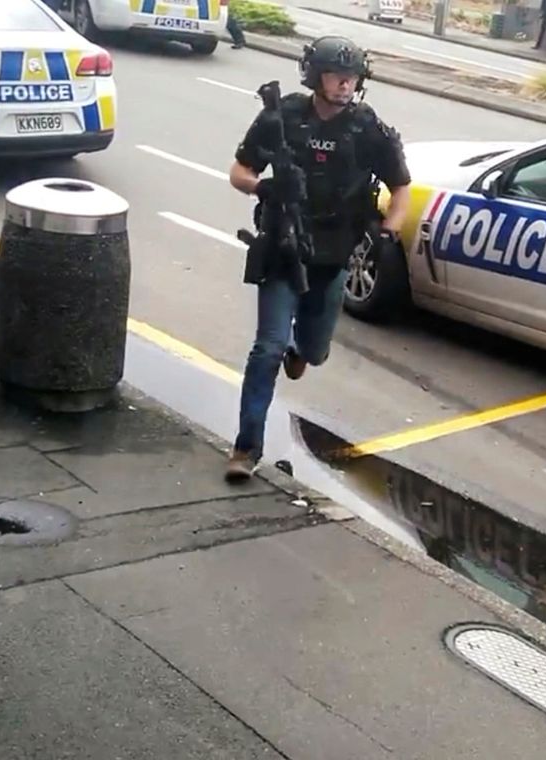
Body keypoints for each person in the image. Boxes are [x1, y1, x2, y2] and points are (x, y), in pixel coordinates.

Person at [224, 35, 411, 482]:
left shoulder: (369, 129)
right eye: (335, 75)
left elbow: (400, 186)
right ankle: (246, 446)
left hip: (335, 253)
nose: (345, 85)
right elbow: (239, 170)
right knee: (265, 349)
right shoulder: (282, 116)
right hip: (282, 247)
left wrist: (389, 234)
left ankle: (300, 350)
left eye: (352, 77)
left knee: (314, 349)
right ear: (314, 76)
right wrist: (262, 187)